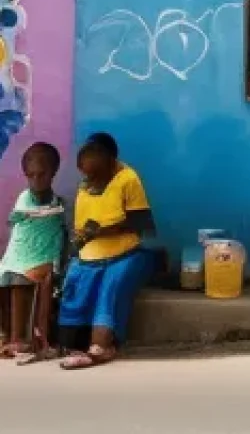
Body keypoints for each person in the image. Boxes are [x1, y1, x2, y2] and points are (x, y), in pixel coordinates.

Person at [58, 133, 155, 370]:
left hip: (125, 253)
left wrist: (103, 231)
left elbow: (142, 223)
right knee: (75, 281)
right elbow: (81, 228)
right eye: (85, 174)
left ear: (111, 163)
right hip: (90, 255)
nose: (89, 179)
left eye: (95, 174)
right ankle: (71, 345)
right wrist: (78, 242)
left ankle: (101, 347)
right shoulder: (85, 185)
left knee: (110, 286)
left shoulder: (128, 179)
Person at [0, 142, 66, 364]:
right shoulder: (24, 199)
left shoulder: (58, 204)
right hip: (19, 254)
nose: (36, 180)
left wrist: (53, 263)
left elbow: (54, 235)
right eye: (31, 175)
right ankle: (8, 335)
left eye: (42, 174)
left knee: (22, 279)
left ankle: (21, 339)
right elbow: (19, 230)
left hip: (43, 256)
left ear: (54, 171)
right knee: (8, 275)